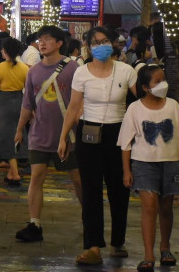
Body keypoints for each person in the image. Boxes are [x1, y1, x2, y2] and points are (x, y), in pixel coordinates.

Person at [58, 26, 137, 266]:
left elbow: (140, 100)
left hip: (119, 135)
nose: (100, 46)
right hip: (89, 134)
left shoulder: (126, 71)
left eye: (104, 41)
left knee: (119, 189)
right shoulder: (82, 72)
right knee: (91, 191)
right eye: (95, 43)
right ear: (88, 47)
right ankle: (93, 246)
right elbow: (73, 107)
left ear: (112, 44)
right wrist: (63, 137)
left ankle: (118, 241)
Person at [118, 65, 179, 272]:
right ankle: (148, 255)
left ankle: (165, 247)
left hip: (170, 162)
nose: (163, 84)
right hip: (143, 163)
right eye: (157, 81)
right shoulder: (134, 109)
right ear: (145, 87)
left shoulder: (173, 106)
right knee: (149, 206)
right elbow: (125, 144)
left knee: (166, 207)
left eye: (163, 79)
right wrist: (127, 171)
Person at [14, 25, 82, 243]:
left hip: (68, 136)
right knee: (36, 177)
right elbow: (27, 104)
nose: (41, 43)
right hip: (39, 134)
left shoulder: (73, 69)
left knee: (77, 179)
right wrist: (19, 130)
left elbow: (81, 102)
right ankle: (35, 223)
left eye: (47, 39)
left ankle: (89, 218)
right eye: (40, 40)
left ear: (59, 43)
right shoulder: (33, 71)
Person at [0, 37, 29, 186]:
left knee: (5, 137)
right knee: (17, 133)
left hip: (2, 102)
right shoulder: (25, 68)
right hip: (19, 100)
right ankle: (11, 173)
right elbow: (28, 89)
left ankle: (15, 174)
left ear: (4, 51)